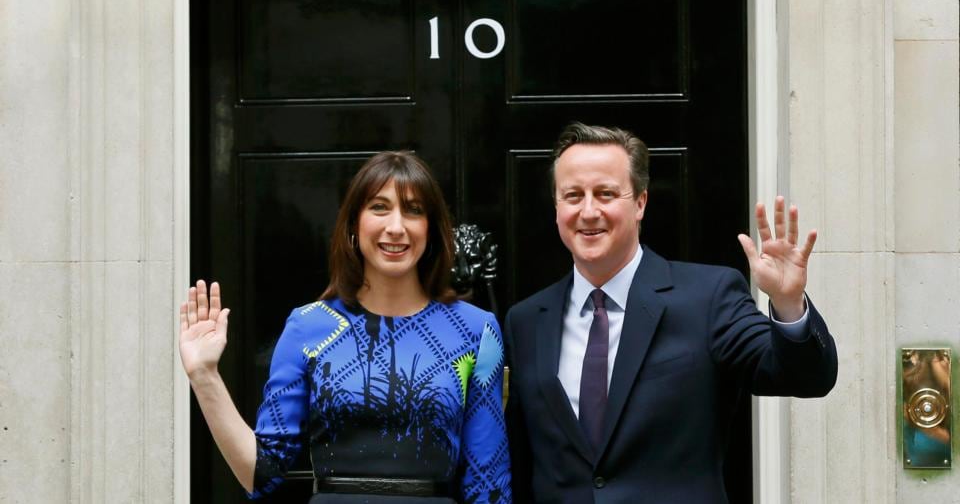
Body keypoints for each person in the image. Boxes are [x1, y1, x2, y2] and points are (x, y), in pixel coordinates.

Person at [504, 122, 838, 503]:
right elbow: (521, 459)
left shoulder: (708, 297)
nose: (589, 210)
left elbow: (806, 378)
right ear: (557, 206)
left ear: (641, 202)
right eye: (573, 195)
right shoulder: (527, 321)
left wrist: (789, 303)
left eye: (606, 193)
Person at [179, 151, 511, 503]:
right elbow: (261, 475)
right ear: (354, 224)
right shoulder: (307, 326)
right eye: (379, 207)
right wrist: (205, 376)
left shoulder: (475, 330)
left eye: (414, 210)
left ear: (431, 227)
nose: (396, 226)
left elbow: (489, 484)